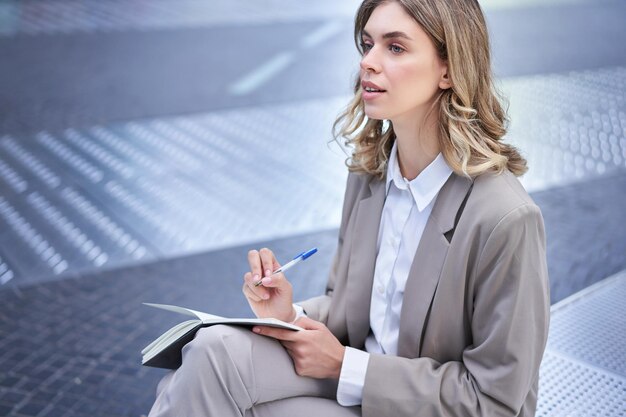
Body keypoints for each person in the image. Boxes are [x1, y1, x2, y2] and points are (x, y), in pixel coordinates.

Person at [148, 0, 550, 416]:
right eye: (367, 43)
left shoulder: (504, 218)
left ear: (449, 69)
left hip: (416, 404)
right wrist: (287, 313)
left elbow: (494, 401)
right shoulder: (370, 175)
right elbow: (350, 310)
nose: (368, 63)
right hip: (354, 378)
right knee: (208, 352)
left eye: (395, 48)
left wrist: (346, 368)